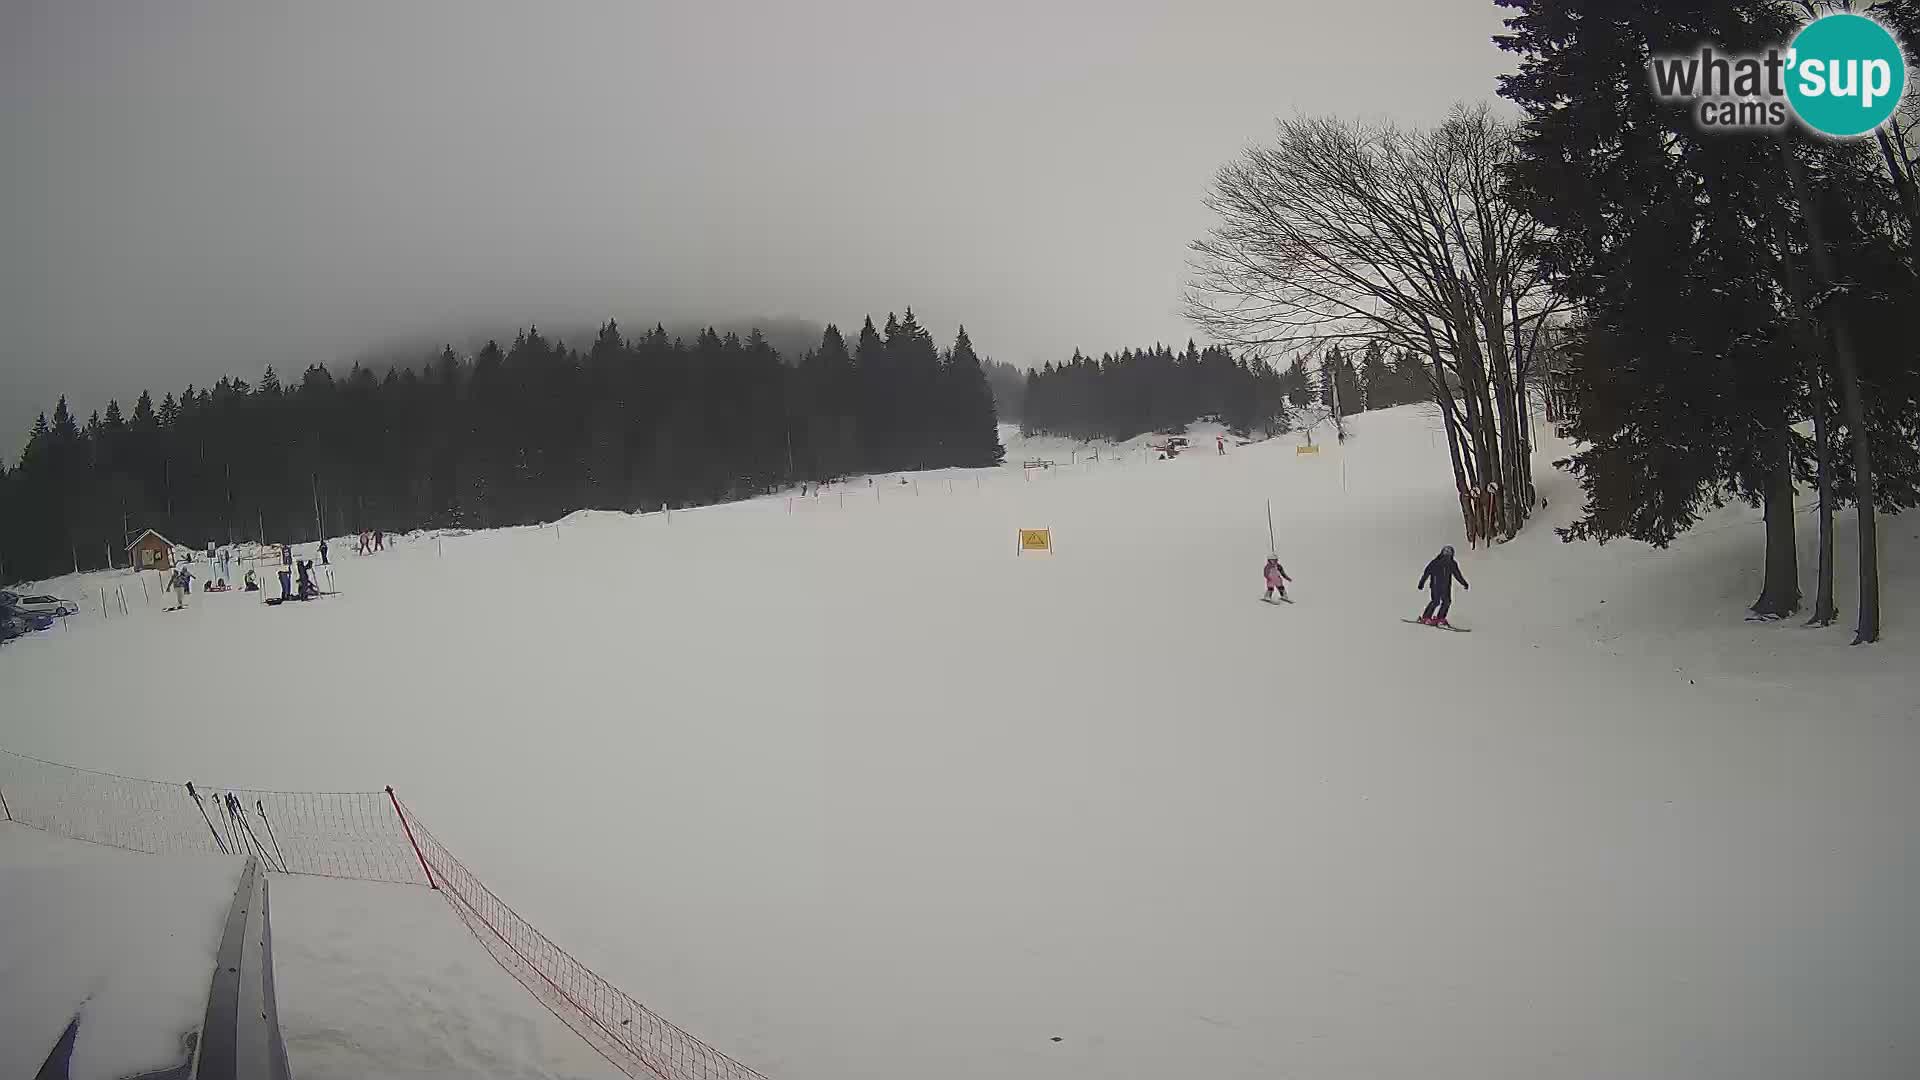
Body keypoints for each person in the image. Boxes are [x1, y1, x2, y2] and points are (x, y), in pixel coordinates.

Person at [1416, 544, 1469, 626]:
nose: (1447, 555)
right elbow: (1426, 572)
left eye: (1449, 553)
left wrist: (1464, 583)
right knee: (1435, 601)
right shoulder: (1435, 562)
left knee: (1447, 601)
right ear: (1442, 553)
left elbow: (1457, 574)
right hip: (1435, 585)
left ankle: (1440, 618)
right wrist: (1421, 583)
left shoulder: (1452, 564)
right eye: (1445, 552)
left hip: (1446, 586)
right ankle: (1426, 617)